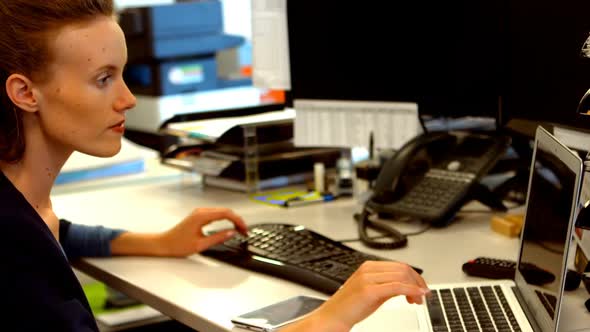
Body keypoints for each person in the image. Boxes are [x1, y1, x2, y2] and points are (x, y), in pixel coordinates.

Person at [0, 1, 430, 331]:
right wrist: (321, 321)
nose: (127, 99)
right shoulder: (15, 250)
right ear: (25, 92)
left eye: (123, 75)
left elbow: (65, 235)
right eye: (103, 79)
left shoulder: (24, 208)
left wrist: (161, 242)